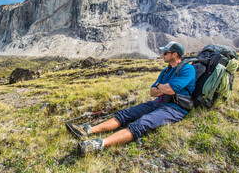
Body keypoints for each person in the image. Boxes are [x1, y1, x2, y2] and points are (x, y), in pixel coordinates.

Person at [66, 41, 196, 155]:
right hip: (158, 102)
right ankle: (87, 130)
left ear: (174, 55)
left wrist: (161, 87)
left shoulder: (187, 69)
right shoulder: (166, 71)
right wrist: (164, 88)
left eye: (165, 53)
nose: (162, 55)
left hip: (175, 108)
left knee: (142, 123)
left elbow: (170, 89)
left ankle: (98, 144)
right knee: (126, 114)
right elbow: (152, 92)